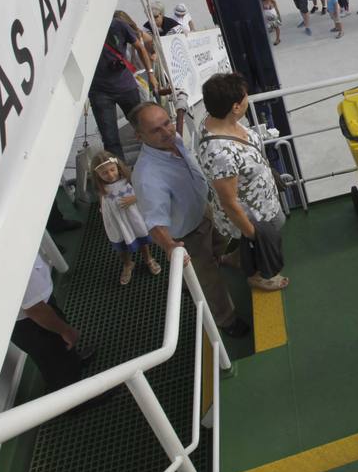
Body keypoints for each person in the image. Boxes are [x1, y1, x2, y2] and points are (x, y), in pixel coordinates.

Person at [131, 103, 249, 337]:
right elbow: (154, 222)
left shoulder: (171, 140)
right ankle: (227, 320)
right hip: (187, 235)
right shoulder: (147, 176)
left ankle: (210, 267)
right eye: (156, 130)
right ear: (139, 136)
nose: (167, 132)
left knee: (220, 243)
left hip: (202, 210)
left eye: (167, 122)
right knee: (210, 280)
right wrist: (170, 246)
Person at [196, 73, 289, 292]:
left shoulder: (217, 119)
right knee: (268, 233)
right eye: (245, 96)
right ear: (235, 107)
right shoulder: (220, 155)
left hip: (262, 200)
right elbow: (229, 202)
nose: (249, 98)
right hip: (253, 214)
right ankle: (257, 276)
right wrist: (254, 235)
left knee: (276, 224)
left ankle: (235, 257)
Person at [14, 252, 97, 393]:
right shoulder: (10, 262)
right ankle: (76, 402)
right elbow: (35, 309)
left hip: (39, 309)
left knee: (61, 351)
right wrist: (66, 331)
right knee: (54, 359)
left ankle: (73, 364)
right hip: (32, 322)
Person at [89, 12, 152, 162]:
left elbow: (141, 47)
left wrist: (151, 74)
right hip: (99, 92)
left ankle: (156, 157)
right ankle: (121, 175)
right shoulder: (83, 30)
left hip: (126, 87)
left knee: (143, 126)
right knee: (110, 139)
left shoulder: (118, 25)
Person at [93, 151, 162, 285]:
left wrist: (135, 198)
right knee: (121, 245)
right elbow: (104, 204)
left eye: (112, 170)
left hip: (134, 217)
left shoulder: (129, 180)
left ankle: (148, 259)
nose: (110, 175)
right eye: (104, 173)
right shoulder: (102, 189)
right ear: (98, 175)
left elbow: (143, 193)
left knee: (142, 239)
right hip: (117, 222)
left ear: (118, 167)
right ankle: (127, 264)